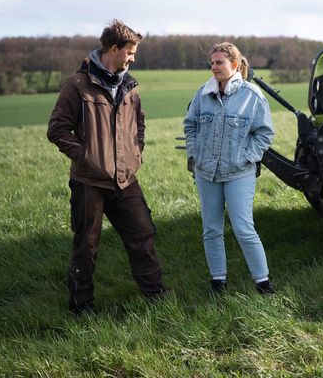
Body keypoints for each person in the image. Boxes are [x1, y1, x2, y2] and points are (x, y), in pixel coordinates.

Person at [47, 19, 168, 315]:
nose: (133, 58)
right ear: (113, 49)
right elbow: (57, 130)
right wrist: (87, 156)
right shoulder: (78, 85)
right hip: (90, 181)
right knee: (86, 246)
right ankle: (81, 307)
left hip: (126, 180)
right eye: (130, 52)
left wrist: (135, 153)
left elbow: (139, 124)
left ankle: (157, 298)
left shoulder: (130, 86)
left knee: (143, 235)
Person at [183, 42, 276, 295]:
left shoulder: (252, 96)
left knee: (243, 228)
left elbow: (265, 133)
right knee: (211, 229)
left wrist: (248, 156)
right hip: (206, 173)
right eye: (212, 63)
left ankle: (263, 282)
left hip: (239, 173)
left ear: (234, 65)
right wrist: (194, 154)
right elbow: (190, 126)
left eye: (219, 62)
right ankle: (218, 281)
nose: (214, 67)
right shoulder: (202, 94)